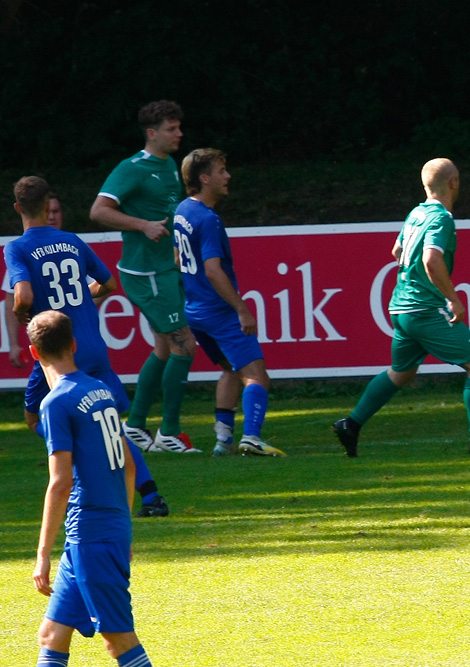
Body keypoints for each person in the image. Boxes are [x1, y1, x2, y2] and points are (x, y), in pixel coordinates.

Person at [5, 176, 169, 518]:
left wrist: (25, 315)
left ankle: (82, 472)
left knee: (35, 417)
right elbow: (110, 283)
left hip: (57, 352)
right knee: (110, 423)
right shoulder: (72, 241)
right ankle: (151, 495)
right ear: (46, 205)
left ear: (19, 208)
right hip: (93, 346)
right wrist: (80, 296)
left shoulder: (18, 247)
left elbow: (23, 296)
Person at [333, 158, 470, 456]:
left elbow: (397, 251)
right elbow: (431, 260)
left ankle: (351, 424)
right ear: (454, 183)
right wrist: (453, 298)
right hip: (424, 309)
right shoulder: (441, 218)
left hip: (401, 308)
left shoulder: (416, 213)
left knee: (401, 373)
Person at [28, 310, 154, 667]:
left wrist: (41, 553)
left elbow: (60, 482)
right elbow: (129, 466)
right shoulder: (100, 390)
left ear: (34, 353)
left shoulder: (54, 404)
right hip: (98, 533)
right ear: (74, 344)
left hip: (90, 536)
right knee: (52, 634)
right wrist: (124, 527)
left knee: (119, 641)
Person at [90, 100, 200, 454]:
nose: (179, 133)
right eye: (172, 128)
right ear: (152, 133)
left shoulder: (168, 166)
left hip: (163, 268)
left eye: (179, 127)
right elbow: (98, 211)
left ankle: (135, 426)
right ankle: (169, 433)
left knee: (165, 347)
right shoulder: (132, 168)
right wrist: (143, 226)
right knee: (184, 344)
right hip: (145, 272)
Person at [172, 148, 285, 457]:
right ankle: (252, 437)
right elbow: (212, 269)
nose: (227, 176)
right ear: (204, 178)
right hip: (218, 312)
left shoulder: (183, 210)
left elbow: (178, 258)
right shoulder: (208, 219)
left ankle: (223, 440)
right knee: (256, 375)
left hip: (195, 311)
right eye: (221, 170)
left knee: (230, 369)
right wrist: (241, 308)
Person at [4, 191, 62, 368]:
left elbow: (105, 283)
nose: (51, 216)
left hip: (75, 339)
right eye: (48, 211)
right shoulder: (22, 250)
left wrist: (81, 308)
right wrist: (13, 344)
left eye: (56, 211)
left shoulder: (73, 245)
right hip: (45, 342)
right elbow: (13, 297)